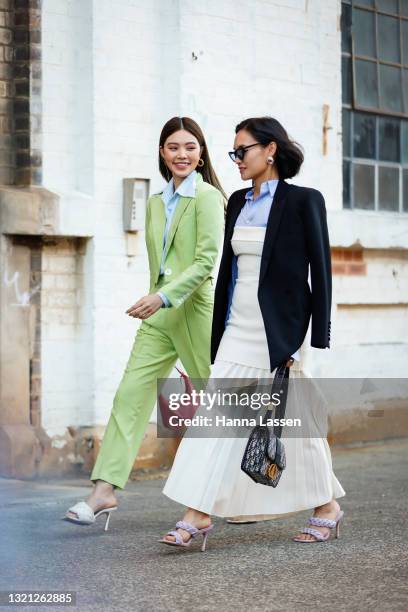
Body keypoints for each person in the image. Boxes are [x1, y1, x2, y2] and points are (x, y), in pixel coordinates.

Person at [159, 116, 345, 550]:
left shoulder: (304, 201)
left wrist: (311, 338)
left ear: (271, 150)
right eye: (234, 153)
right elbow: (229, 271)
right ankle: (197, 512)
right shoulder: (239, 202)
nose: (237, 160)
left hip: (279, 333)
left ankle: (327, 507)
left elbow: (321, 271)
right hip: (236, 329)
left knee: (291, 424)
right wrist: (218, 328)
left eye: (243, 151)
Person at [63, 117, 225, 528]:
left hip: (194, 311)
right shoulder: (156, 202)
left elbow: (207, 262)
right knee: (129, 396)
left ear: (201, 153)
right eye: (173, 147)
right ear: (162, 153)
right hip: (159, 318)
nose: (182, 154)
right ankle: (104, 491)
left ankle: (278, 482)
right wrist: (159, 299)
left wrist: (163, 296)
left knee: (224, 404)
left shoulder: (207, 198)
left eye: (190, 147)